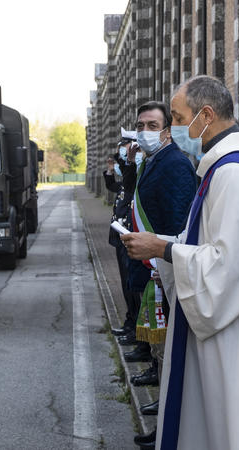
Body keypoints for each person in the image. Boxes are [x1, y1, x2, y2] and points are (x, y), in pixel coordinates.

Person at [120, 75, 239, 450]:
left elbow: (231, 267)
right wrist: (166, 245)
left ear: (205, 115)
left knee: (230, 425)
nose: (173, 128)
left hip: (233, 333)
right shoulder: (219, 167)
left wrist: (163, 250)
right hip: (221, 326)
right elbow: (208, 246)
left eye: (176, 117)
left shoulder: (234, 174)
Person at [127, 100, 196, 448]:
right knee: (163, 353)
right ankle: (166, 426)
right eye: (141, 125)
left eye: (153, 125)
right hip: (157, 265)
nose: (144, 131)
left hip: (167, 266)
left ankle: (172, 431)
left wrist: (162, 260)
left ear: (168, 131)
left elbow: (178, 219)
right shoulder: (151, 161)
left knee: (172, 352)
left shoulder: (175, 164)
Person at [104, 130, 140, 344]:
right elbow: (115, 184)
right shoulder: (128, 175)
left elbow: (129, 179)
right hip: (120, 237)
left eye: (124, 146)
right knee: (127, 285)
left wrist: (130, 158)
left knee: (132, 285)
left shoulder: (135, 173)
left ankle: (135, 328)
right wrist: (116, 164)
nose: (121, 151)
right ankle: (130, 323)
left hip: (129, 236)